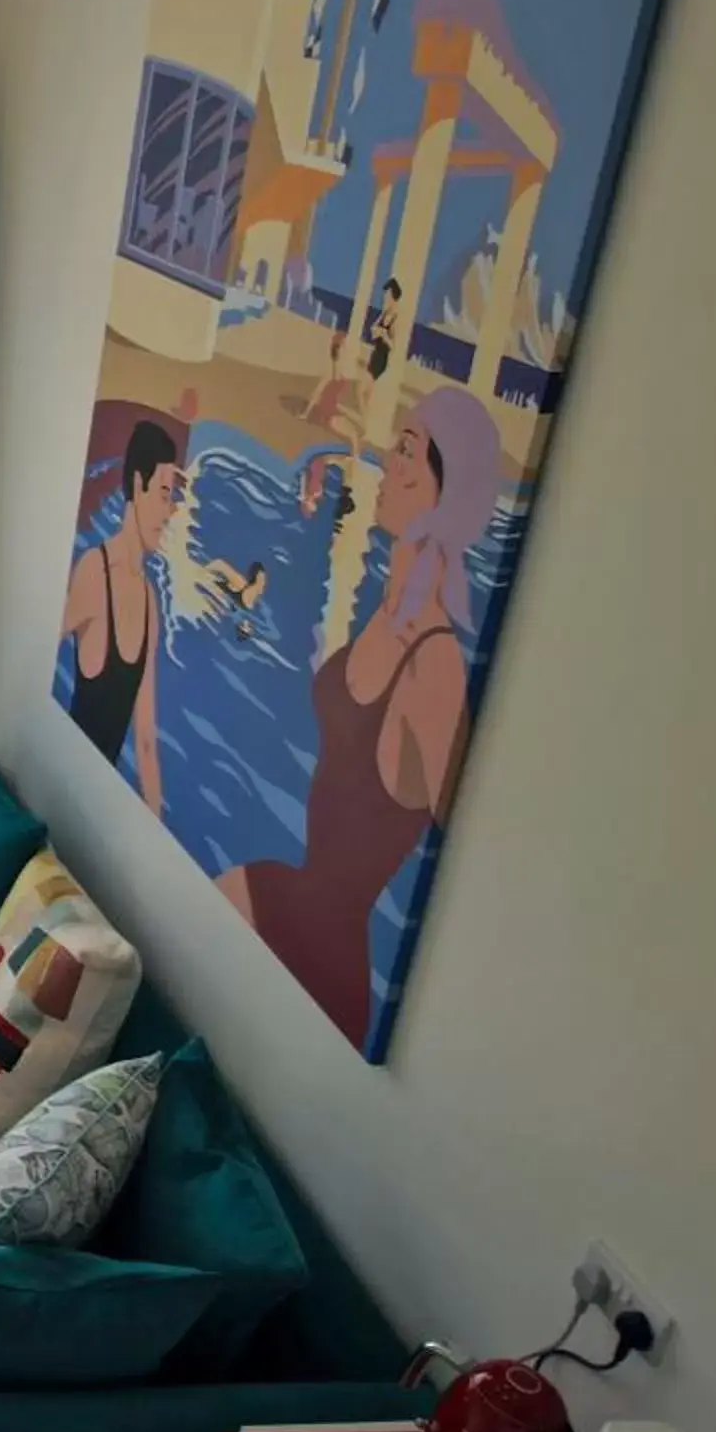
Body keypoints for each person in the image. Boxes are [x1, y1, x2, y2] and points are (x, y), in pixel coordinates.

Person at [220, 388, 501, 1043]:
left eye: (404, 450)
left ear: (444, 490)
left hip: (328, 953)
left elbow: (464, 830)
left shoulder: (434, 664)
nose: (385, 460)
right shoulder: (388, 614)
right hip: (294, 905)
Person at [61, 418, 184, 813]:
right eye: (164, 494)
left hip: (96, 808)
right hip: (63, 789)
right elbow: (36, 651)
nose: (170, 512)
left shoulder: (150, 601)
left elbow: (145, 740)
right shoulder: (94, 573)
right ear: (136, 485)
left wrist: (154, 827)